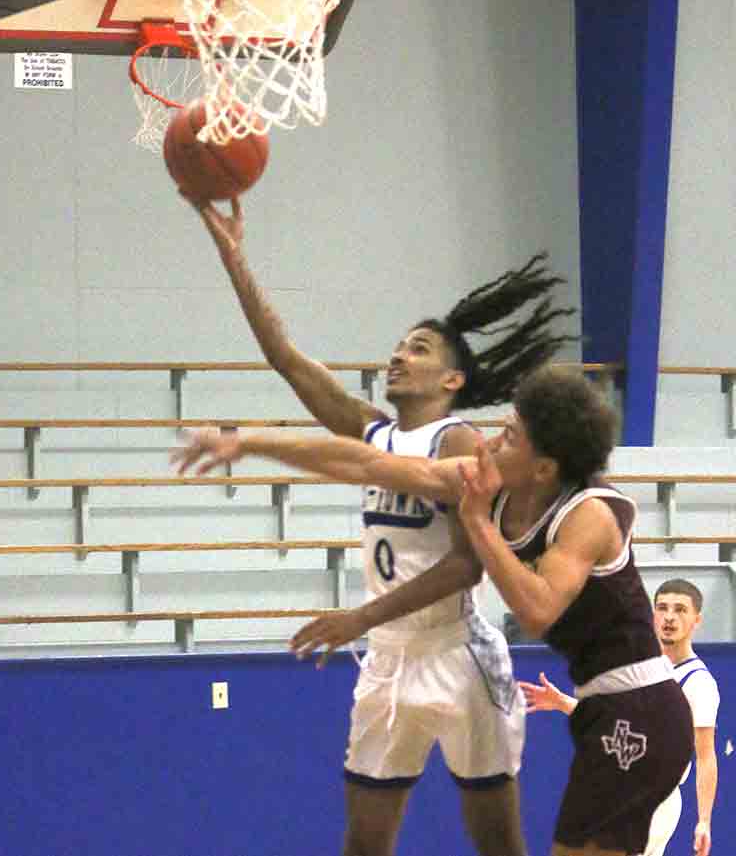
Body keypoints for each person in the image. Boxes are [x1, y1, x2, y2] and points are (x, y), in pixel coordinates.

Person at [186, 196, 576, 856]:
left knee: (499, 846)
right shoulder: (376, 430)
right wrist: (235, 258)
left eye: (417, 348)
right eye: (397, 345)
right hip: (388, 659)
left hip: (458, 654)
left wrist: (357, 618)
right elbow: (286, 358)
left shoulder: (458, 443)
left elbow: (466, 565)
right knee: (363, 845)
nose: (397, 354)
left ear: (451, 376)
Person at [172, 364, 694, 856]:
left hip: (641, 708)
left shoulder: (589, 515)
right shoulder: (489, 480)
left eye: (510, 436)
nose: (491, 441)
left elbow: (537, 610)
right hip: (605, 709)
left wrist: (478, 523)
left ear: (545, 467)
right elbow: (370, 463)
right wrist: (250, 442)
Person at [520, 578, 719, 856]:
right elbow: (618, 725)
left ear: (696, 620)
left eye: (680, 610)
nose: (670, 617)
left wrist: (704, 820)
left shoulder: (698, 682)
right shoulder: (643, 666)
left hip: (653, 797)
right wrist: (562, 702)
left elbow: (706, 756)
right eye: (663, 608)